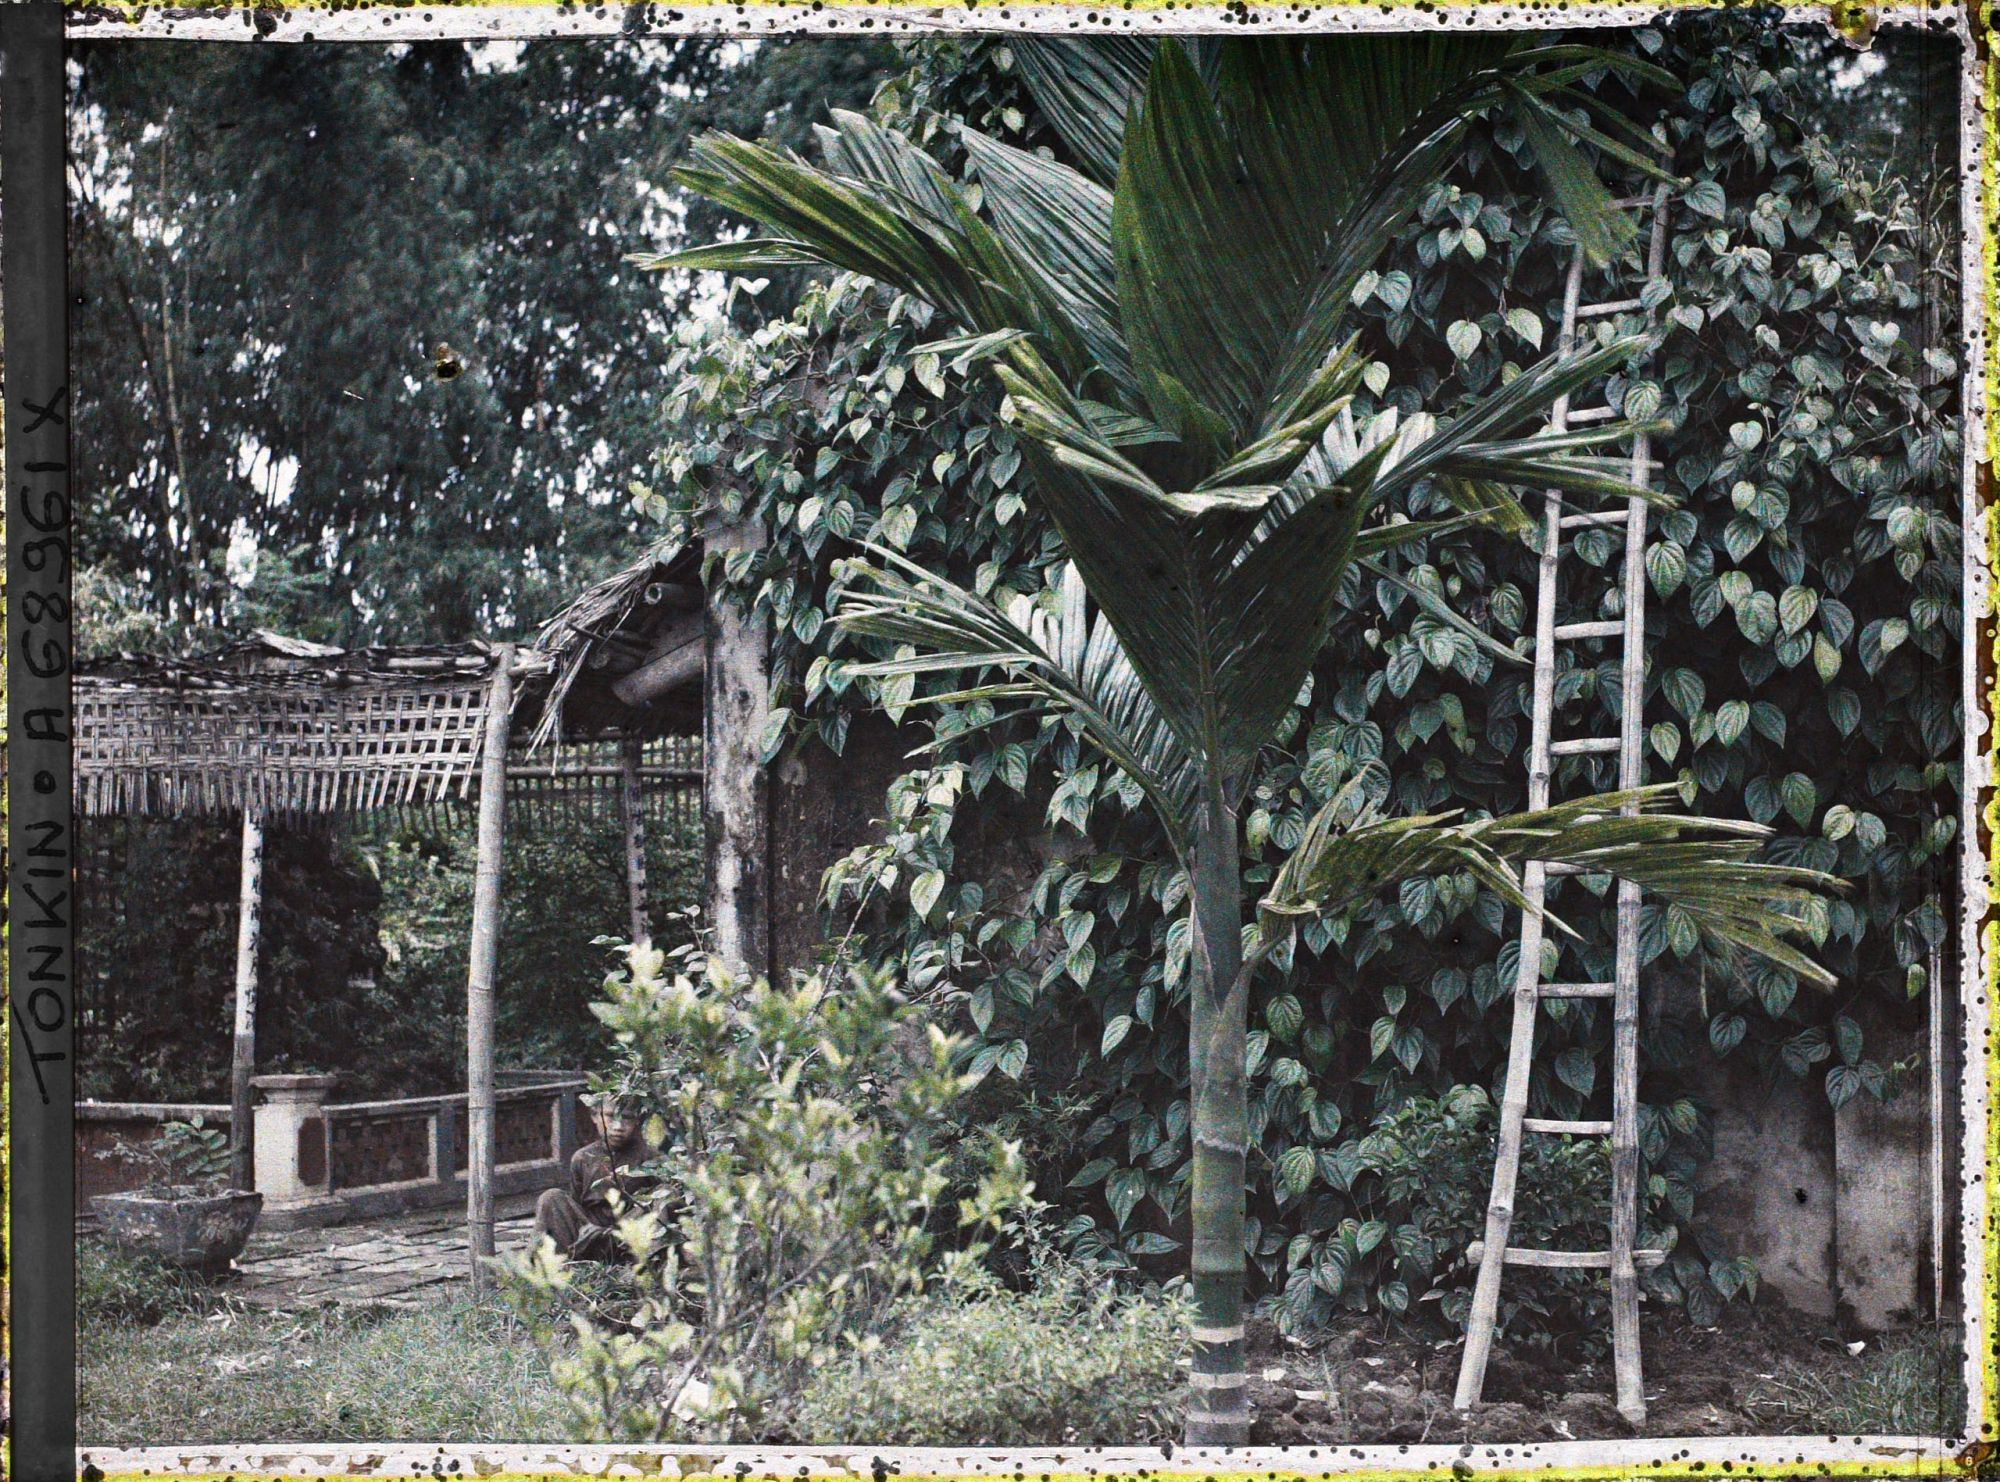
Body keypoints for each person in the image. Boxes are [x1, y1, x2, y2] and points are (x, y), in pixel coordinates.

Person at [533, 1091, 659, 1263]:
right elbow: (577, 1206)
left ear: (637, 1120)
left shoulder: (649, 1157)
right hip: (589, 1241)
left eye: (626, 1118)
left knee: (663, 1194)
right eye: (609, 1116)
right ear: (595, 1116)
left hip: (628, 1242)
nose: (617, 1126)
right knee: (551, 1198)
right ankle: (554, 1266)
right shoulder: (583, 1158)